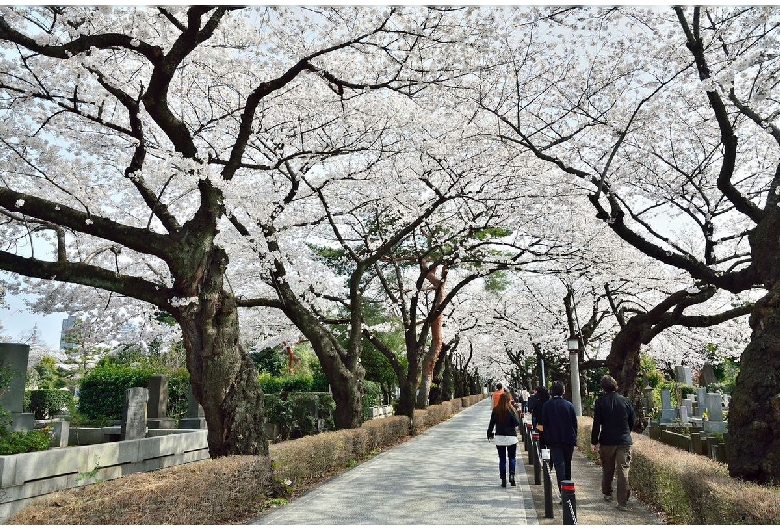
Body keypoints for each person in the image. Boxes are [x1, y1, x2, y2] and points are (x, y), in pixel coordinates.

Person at [590, 374, 636, 512]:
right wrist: (627, 432)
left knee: (607, 468)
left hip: (607, 440)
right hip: (623, 440)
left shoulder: (600, 402)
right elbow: (632, 419)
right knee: (623, 470)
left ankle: (607, 492)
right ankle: (622, 502)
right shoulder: (625, 401)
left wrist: (594, 442)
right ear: (615, 385)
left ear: (603, 387)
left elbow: (596, 423)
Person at [538, 381, 577, 495]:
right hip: (568, 439)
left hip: (553, 440)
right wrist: (574, 436)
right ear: (563, 392)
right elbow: (574, 423)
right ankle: (568, 488)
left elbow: (542, 424)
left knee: (559, 465)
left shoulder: (547, 405)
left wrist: (542, 439)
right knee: (567, 464)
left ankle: (563, 491)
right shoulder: (569, 405)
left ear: (551, 392)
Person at [487, 391, 521, 488]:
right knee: (512, 457)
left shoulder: (496, 410)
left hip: (499, 437)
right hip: (511, 437)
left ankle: (503, 479)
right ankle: (512, 475)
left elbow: (491, 423)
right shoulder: (511, 409)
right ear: (508, 400)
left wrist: (489, 433)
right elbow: (517, 423)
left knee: (502, 459)